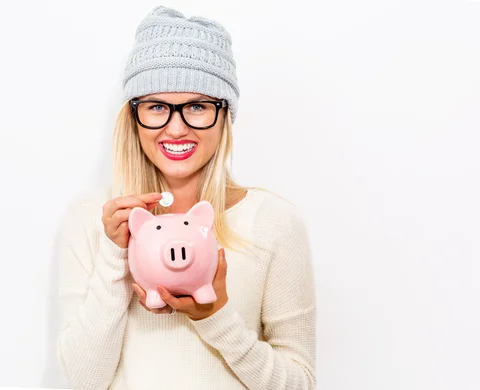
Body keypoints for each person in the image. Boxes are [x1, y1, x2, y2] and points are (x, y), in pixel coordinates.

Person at [55, 5, 316, 390]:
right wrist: (116, 254)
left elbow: (301, 384)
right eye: (157, 107)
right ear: (133, 116)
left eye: (197, 106)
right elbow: (81, 382)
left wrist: (216, 317)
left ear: (225, 114)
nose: (176, 128)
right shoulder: (92, 218)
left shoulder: (273, 221)